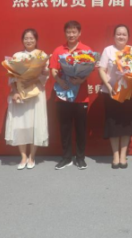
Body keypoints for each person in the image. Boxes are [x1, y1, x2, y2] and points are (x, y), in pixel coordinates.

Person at [49, 20, 93, 170]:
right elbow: (53, 69)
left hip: (81, 97)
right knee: (65, 128)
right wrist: (60, 81)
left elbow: (90, 69)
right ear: (65, 33)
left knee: (81, 129)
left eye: (74, 32)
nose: (71, 34)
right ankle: (66, 157)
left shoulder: (86, 50)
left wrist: (82, 79)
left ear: (79, 33)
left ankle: (80, 158)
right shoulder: (58, 50)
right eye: (68, 32)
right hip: (63, 95)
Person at [5, 28, 49, 170]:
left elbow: (45, 76)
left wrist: (42, 74)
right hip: (21, 93)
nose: (28, 41)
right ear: (22, 40)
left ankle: (32, 156)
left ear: (36, 40)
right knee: (21, 124)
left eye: (31, 38)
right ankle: (23, 156)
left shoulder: (42, 55)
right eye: (26, 38)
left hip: (36, 93)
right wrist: (15, 91)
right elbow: (12, 77)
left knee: (35, 123)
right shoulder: (17, 56)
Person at [98, 25, 132, 169]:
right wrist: (108, 86)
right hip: (111, 92)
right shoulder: (108, 50)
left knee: (126, 123)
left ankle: (123, 155)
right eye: (118, 34)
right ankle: (115, 155)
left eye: (124, 34)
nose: (121, 36)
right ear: (114, 36)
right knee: (112, 123)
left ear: (128, 37)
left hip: (128, 93)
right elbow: (101, 69)